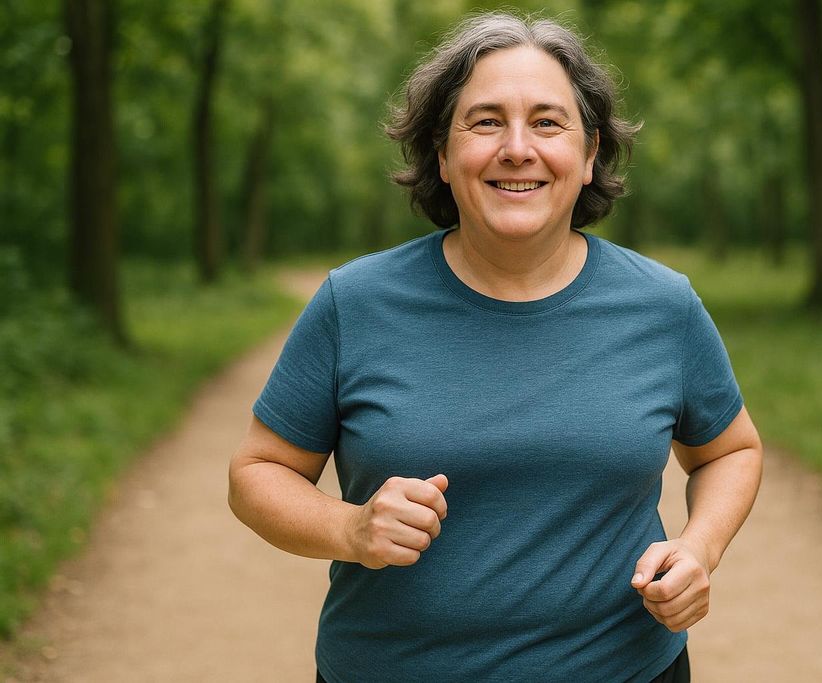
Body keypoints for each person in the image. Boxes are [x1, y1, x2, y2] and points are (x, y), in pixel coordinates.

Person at [228, 11, 762, 683]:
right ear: (442, 154)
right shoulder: (354, 303)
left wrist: (699, 547)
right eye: (484, 122)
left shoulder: (662, 305)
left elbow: (731, 448)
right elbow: (256, 475)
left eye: (547, 121)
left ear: (590, 152)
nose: (517, 147)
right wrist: (351, 528)